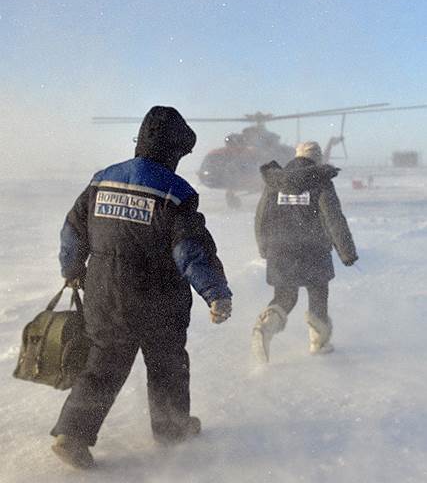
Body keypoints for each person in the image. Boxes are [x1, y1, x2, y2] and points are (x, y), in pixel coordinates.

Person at [51, 106, 232, 469]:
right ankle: (171, 429)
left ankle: (71, 434)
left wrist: (71, 269)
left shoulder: (102, 179)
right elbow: (190, 250)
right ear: (173, 150)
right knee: (167, 363)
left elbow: (73, 230)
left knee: (103, 363)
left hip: (103, 292)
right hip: (158, 298)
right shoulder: (176, 193)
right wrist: (216, 292)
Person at [251, 141, 358, 364]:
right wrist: (347, 253)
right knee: (318, 295)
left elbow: (261, 217)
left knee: (285, 297)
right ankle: (318, 342)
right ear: (317, 159)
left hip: (280, 250)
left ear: (296, 156)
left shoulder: (275, 180)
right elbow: (333, 219)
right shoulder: (321, 180)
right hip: (314, 250)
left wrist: (264, 247)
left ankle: (265, 326)